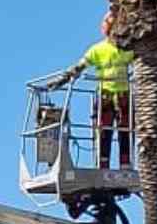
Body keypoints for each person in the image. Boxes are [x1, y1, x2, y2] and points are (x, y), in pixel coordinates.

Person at [52, 14, 134, 170]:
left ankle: (124, 163)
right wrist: (65, 78)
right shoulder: (98, 49)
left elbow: (139, 62)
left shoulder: (126, 49)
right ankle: (104, 164)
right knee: (105, 131)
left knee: (124, 130)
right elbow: (81, 65)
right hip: (106, 95)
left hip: (122, 94)